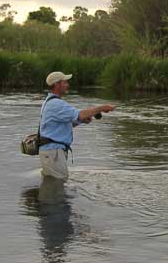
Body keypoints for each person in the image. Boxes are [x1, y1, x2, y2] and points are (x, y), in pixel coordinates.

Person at [38, 71, 114, 203]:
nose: (68, 85)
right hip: (53, 153)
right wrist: (102, 108)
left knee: (55, 186)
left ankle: (53, 212)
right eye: (65, 82)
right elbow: (80, 114)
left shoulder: (51, 102)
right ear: (57, 85)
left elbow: (62, 126)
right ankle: (55, 216)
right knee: (56, 188)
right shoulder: (56, 104)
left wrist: (80, 121)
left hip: (52, 152)